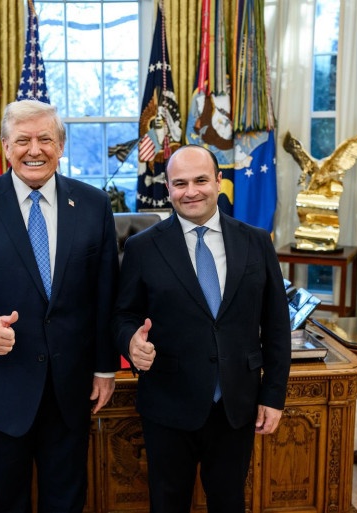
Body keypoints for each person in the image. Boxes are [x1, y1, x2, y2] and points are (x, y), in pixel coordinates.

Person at [0, 100, 120, 513]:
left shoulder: (93, 204)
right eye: (23, 140)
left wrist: (105, 368)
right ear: (5, 146)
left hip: (71, 387)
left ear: (61, 146)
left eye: (45, 139)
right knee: (6, 501)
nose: (35, 150)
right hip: (0, 382)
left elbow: (106, 291)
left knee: (67, 500)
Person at [113, 145, 291, 513]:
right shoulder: (142, 248)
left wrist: (273, 396)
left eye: (200, 180)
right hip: (168, 404)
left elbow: (276, 325)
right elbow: (122, 316)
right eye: (180, 183)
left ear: (219, 181)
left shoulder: (256, 242)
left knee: (229, 503)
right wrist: (130, 341)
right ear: (167, 188)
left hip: (236, 404)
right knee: (168, 504)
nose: (191, 191)